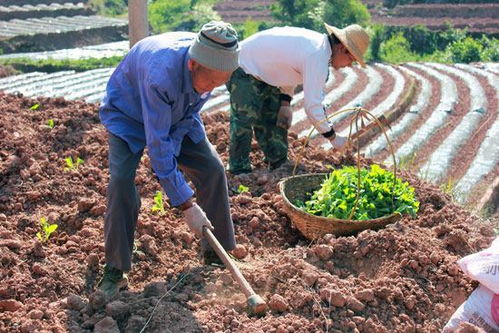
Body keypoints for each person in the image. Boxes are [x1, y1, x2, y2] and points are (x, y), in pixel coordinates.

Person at [97, 21, 240, 298]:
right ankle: (115, 269)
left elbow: (185, 117)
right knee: (121, 182)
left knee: (211, 168)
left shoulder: (209, 64)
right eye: (209, 82)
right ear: (192, 65)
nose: (211, 88)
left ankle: (217, 255)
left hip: (179, 114)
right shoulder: (160, 75)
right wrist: (187, 205)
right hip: (128, 113)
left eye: (218, 83)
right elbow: (157, 143)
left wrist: (173, 163)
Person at [226, 23, 369, 175]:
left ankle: (278, 163)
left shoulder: (318, 47)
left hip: (266, 73)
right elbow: (313, 106)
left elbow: (287, 68)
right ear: (342, 49)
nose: (349, 65)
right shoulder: (318, 54)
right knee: (244, 119)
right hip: (243, 66)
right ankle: (238, 171)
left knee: (272, 119)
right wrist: (333, 138)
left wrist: (285, 102)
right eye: (351, 60)